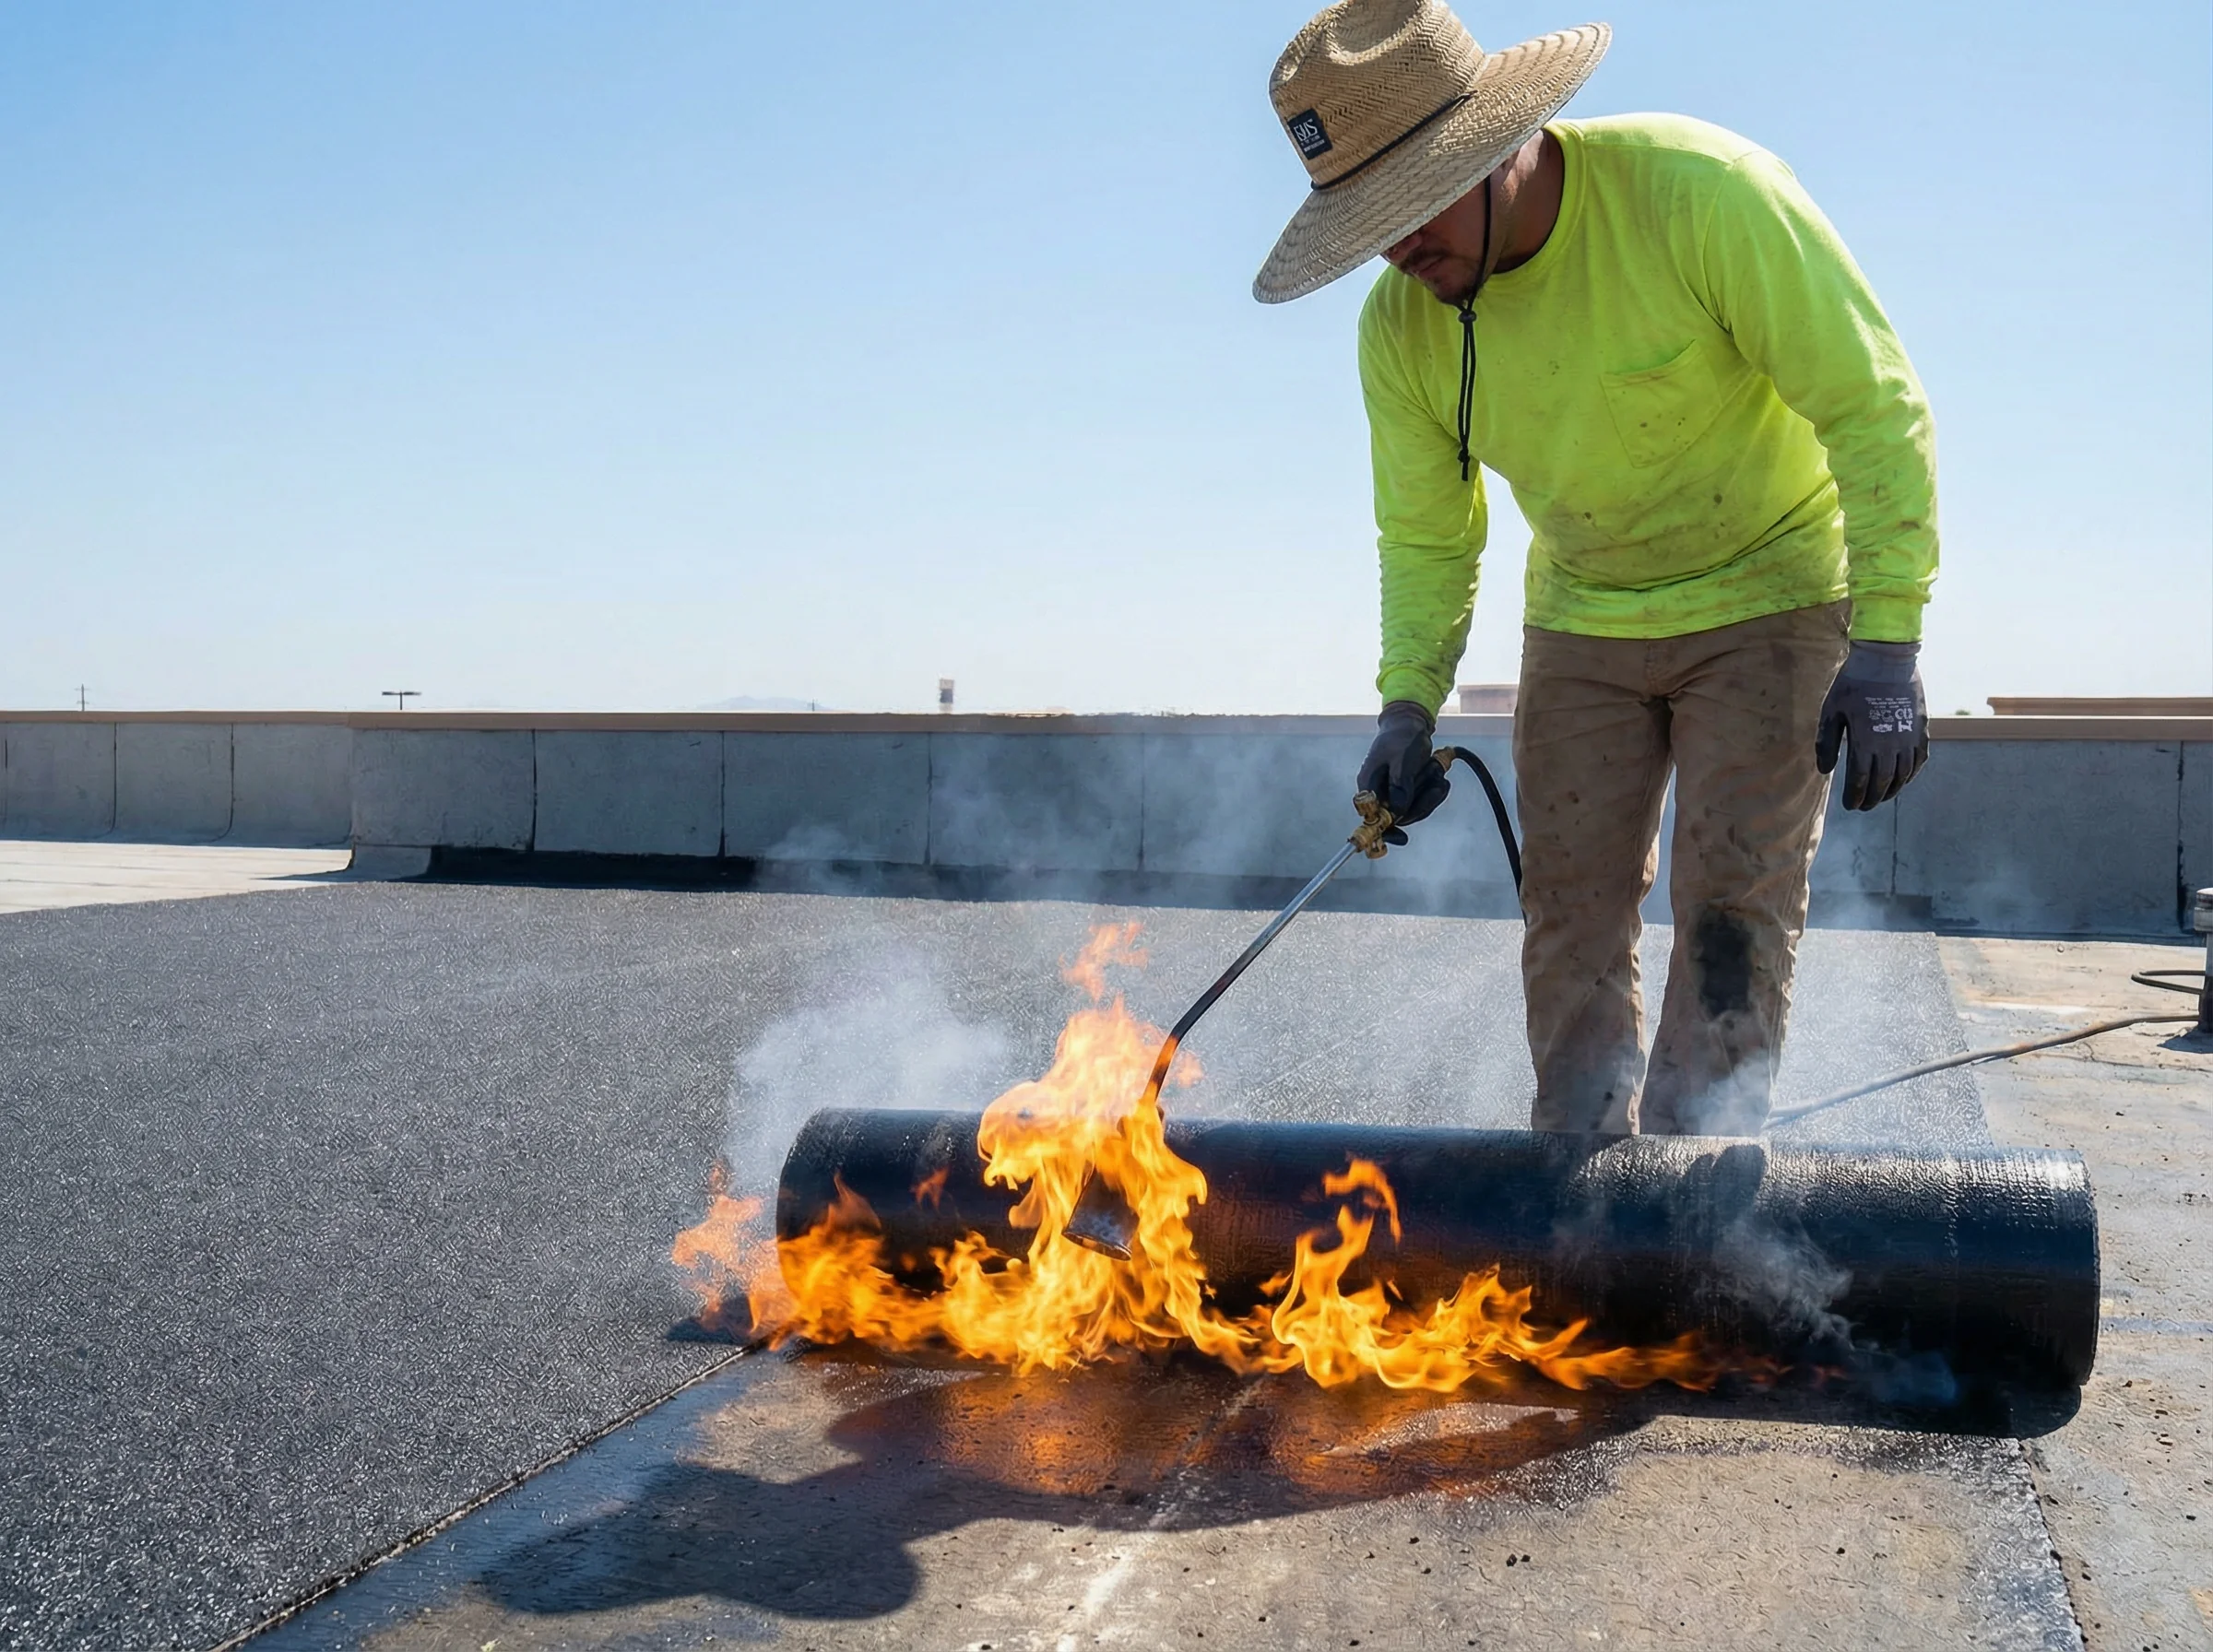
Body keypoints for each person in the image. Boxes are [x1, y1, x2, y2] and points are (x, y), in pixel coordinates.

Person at [1255, 0, 1937, 1135]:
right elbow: (1428, 535)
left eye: (1412, 203)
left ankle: (1694, 1199)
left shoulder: (1702, 195)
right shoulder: (1402, 326)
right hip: (1582, 618)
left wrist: (1890, 641)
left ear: (1496, 144)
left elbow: (1875, 408)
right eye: (1366, 218)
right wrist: (1406, 704)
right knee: (1568, 914)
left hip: (1770, 590)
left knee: (1728, 903)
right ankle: (1578, 1188)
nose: (1396, 245)